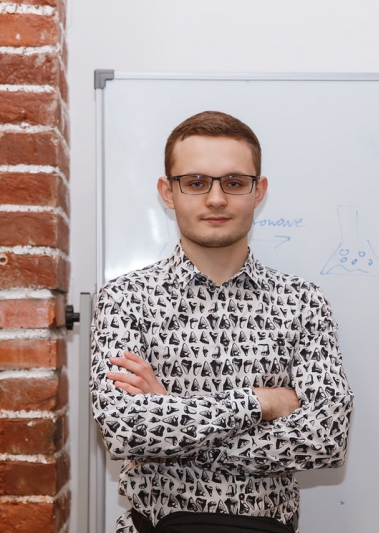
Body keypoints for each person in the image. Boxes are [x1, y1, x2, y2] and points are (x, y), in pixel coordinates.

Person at [90, 111, 353, 533]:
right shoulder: (125, 299)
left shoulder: (303, 301)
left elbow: (326, 439)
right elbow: (125, 431)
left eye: (233, 182)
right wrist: (261, 403)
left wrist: (172, 419)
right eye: (196, 182)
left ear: (258, 190)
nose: (215, 199)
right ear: (168, 192)